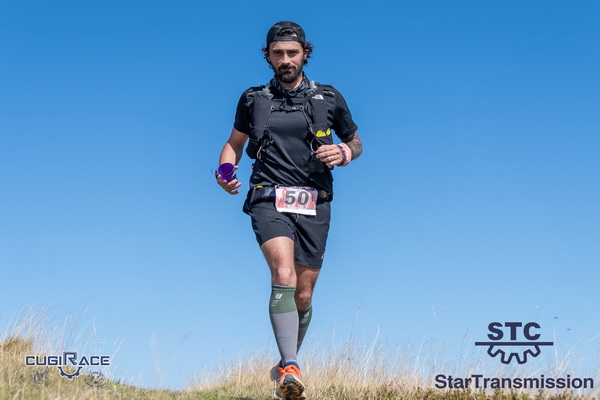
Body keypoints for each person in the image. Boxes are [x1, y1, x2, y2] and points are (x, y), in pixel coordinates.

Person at [215, 20, 362, 400]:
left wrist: (344, 152)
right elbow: (233, 144)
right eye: (277, 53)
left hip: (315, 199)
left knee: (304, 294)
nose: (285, 59)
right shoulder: (254, 99)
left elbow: (355, 141)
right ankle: (292, 366)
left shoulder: (328, 97)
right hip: (268, 195)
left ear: (304, 54)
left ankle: (284, 363)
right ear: (267, 56)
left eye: (292, 53)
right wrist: (225, 171)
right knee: (283, 272)